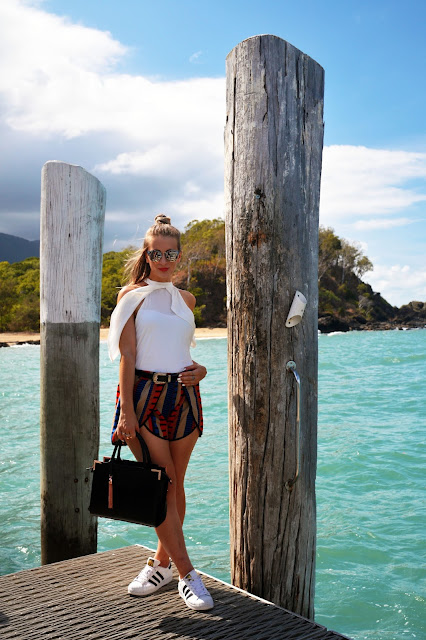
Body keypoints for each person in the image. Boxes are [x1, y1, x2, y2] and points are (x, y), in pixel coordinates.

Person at [107, 214, 214, 612]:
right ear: (147, 255)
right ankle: (188, 575)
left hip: (185, 396)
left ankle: (161, 565)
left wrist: (202, 371)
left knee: (176, 485)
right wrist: (127, 412)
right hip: (144, 396)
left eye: (171, 254)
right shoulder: (131, 296)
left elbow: (184, 351)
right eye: (157, 254)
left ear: (179, 256)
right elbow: (128, 354)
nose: (164, 260)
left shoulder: (187, 300)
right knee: (161, 485)